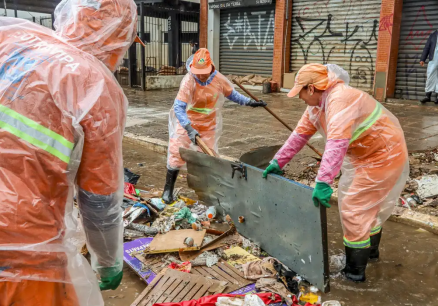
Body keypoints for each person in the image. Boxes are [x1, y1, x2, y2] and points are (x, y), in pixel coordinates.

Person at [0, 0, 142, 305]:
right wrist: (107, 260)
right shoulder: (93, 83)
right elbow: (99, 200)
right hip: (23, 242)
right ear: (114, 34)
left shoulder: (11, 39)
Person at [263, 64, 409, 282]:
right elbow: (299, 135)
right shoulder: (316, 106)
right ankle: (369, 254)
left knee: (354, 209)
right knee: (365, 207)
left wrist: (323, 181)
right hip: (364, 157)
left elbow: (336, 144)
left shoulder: (340, 99)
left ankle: (354, 273)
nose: (300, 98)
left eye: (301, 93)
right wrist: (278, 161)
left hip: (383, 156)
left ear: (311, 89)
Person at [162, 48, 267, 204]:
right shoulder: (188, 81)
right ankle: (167, 190)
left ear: (211, 67)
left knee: (208, 157)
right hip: (187, 122)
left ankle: (208, 194)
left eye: (204, 71)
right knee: (176, 154)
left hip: (208, 124)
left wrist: (249, 102)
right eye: (198, 71)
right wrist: (189, 128)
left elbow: (232, 94)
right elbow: (179, 107)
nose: (201, 75)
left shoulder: (218, 79)